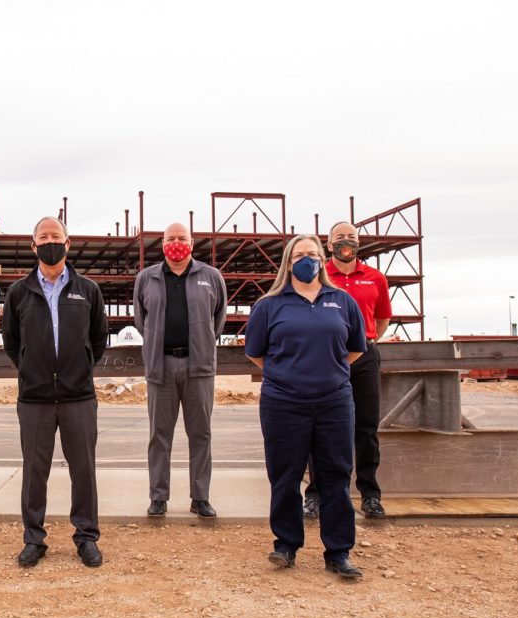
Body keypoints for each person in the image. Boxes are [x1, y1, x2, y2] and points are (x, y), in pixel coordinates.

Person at [244, 234, 367, 579]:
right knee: (285, 476)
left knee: (336, 476)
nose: (307, 260)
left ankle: (338, 552)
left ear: (322, 260)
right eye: (299, 255)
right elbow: (255, 353)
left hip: (334, 402)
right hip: (284, 403)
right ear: (287, 262)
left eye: (312, 254)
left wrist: (328, 370)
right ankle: (285, 544)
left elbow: (356, 348)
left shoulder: (342, 301)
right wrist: (288, 374)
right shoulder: (270, 305)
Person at [2, 216, 109, 568]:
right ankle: (34, 539)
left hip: (78, 396)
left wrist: (77, 368)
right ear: (33, 246)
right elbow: (12, 342)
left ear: (67, 243)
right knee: (34, 471)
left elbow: (98, 339)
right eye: (43, 236)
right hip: (34, 399)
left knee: (84, 470)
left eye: (56, 236)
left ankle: (86, 537)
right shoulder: (19, 292)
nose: (50, 241)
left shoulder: (87, 290)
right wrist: (34, 369)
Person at [133, 222, 227, 519]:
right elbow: (141, 320)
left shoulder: (211, 277)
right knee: (159, 435)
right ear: (162, 244)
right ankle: (158, 496)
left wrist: (201, 342)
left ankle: (200, 497)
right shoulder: (146, 278)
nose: (177, 243)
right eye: (171, 239)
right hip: (160, 366)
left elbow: (218, 319)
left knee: (201, 434)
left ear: (192, 242)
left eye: (182, 238)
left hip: (198, 366)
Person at [302, 221, 393, 519]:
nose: (345, 242)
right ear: (329, 244)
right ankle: (315, 494)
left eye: (351, 237)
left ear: (358, 243)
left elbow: (381, 319)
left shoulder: (375, 278)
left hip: (364, 355)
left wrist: (363, 341)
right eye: (339, 237)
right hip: (327, 356)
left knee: (366, 427)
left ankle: (369, 494)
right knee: (319, 428)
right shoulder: (319, 276)